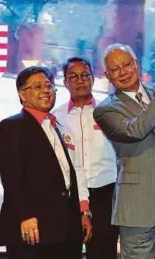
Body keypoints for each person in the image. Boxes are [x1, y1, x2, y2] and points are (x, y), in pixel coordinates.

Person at [0, 66, 92, 259]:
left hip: (66, 227)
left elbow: (72, 173)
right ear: (22, 94)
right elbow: (11, 177)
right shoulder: (12, 126)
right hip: (33, 226)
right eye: (37, 86)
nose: (46, 91)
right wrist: (25, 215)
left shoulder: (60, 128)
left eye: (49, 86)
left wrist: (83, 212)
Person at [93, 43, 155, 259]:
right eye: (115, 69)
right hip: (137, 208)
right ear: (108, 75)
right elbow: (135, 130)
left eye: (127, 64)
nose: (123, 72)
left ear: (137, 65)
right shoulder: (106, 109)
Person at [54, 57, 119, 259]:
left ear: (93, 79)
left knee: (103, 252)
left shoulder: (109, 112)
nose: (80, 80)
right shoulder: (55, 118)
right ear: (65, 82)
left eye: (85, 75)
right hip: (70, 196)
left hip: (104, 192)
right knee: (67, 250)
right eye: (73, 77)